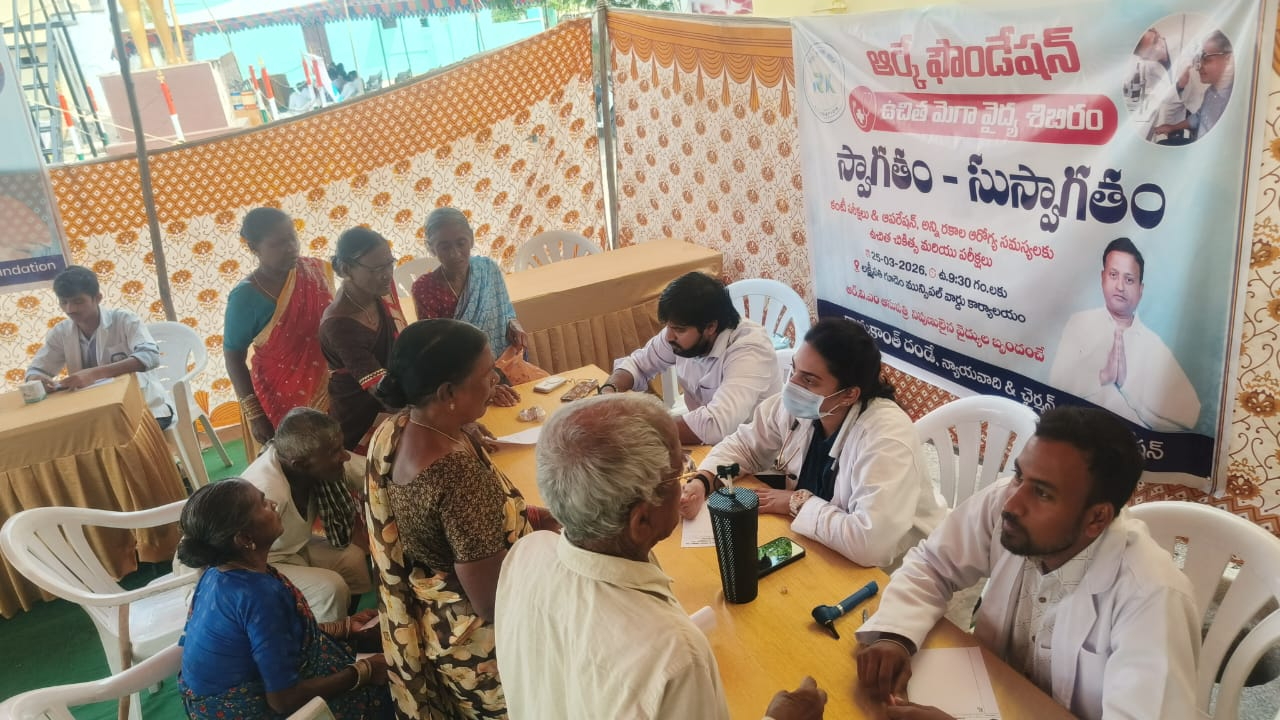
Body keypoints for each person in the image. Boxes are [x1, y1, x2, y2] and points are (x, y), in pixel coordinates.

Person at [495, 392, 828, 720]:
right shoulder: (675, 657)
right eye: (678, 474)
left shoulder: (527, 553)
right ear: (641, 521)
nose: (685, 484)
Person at [854, 406, 1199, 720]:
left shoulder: (1152, 597)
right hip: (992, 694)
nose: (1013, 504)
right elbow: (933, 564)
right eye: (1019, 475)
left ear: (1097, 518)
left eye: (1043, 493)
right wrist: (896, 635)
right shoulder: (1007, 502)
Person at [364, 319, 558, 718]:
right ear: (447, 393)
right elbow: (492, 601)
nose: (496, 380)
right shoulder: (456, 478)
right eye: (487, 374)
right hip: (489, 652)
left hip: (443, 630)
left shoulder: (396, 429)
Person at [679, 317, 945, 568]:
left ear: (849, 395)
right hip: (819, 541)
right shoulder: (805, 408)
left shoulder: (886, 438)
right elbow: (745, 446)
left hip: (895, 569)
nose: (792, 385)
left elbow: (869, 544)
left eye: (808, 380)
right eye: (794, 370)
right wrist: (703, 480)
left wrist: (795, 502)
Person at [176, 479, 392, 719]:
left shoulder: (215, 574)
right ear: (244, 539)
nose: (273, 504)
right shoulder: (259, 596)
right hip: (250, 710)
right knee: (395, 689)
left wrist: (343, 627)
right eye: (262, 504)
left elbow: (271, 639)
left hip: (215, 699)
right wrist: (364, 671)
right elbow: (283, 700)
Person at [601, 271, 781, 445]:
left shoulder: (750, 351)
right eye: (668, 327)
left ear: (710, 327)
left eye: (679, 330)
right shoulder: (680, 333)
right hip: (707, 442)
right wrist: (608, 393)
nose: (668, 337)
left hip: (753, 452)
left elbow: (716, 424)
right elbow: (638, 364)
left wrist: (638, 427)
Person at [1049, 238, 1200, 431]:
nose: (1120, 286)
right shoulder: (1079, 322)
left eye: (1129, 280)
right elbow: (1055, 386)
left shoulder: (1153, 344)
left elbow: (1189, 415)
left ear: (1140, 289)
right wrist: (1102, 376)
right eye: (1113, 275)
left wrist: (1126, 383)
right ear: (1102, 277)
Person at [240, 407, 371, 623]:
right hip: (254, 567)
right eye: (335, 452)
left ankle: (347, 624)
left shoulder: (313, 463)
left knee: (353, 560)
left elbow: (373, 472)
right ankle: (328, 639)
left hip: (292, 550)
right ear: (300, 465)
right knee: (330, 588)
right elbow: (233, 557)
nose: (345, 456)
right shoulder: (266, 493)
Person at [224, 207, 335, 447]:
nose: (291, 247)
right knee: (295, 458)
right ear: (254, 248)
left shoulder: (316, 271)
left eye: (292, 238)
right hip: (279, 396)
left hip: (331, 386)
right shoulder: (245, 297)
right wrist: (255, 414)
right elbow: (233, 356)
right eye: (278, 243)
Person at [27, 265, 171, 428]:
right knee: (63, 434)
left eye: (78, 301)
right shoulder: (61, 332)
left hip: (145, 408)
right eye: (64, 302)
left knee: (111, 435)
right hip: (95, 413)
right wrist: (37, 380)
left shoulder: (124, 320)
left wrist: (94, 374)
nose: (70, 309)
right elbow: (35, 370)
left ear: (97, 298)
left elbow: (150, 356)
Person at [319, 227, 406, 451]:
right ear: (346, 269)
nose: (387, 274)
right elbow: (382, 390)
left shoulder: (381, 290)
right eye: (377, 268)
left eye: (390, 263)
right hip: (361, 417)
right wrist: (431, 413)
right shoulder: (339, 324)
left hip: (399, 398)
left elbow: (405, 343)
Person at [411, 207, 527, 362]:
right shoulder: (424, 289)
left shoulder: (488, 269)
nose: (455, 253)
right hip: (460, 368)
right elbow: (434, 346)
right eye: (445, 247)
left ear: (471, 239)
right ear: (431, 248)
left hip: (506, 360)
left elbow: (507, 313)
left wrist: (514, 325)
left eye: (461, 243)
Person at [1154, 30, 1233, 142]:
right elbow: (1198, 117)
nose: (1198, 66)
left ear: (1228, 59)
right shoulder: (1210, 92)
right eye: (1199, 59)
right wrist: (1172, 127)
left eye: (1206, 59)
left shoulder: (1232, 102)